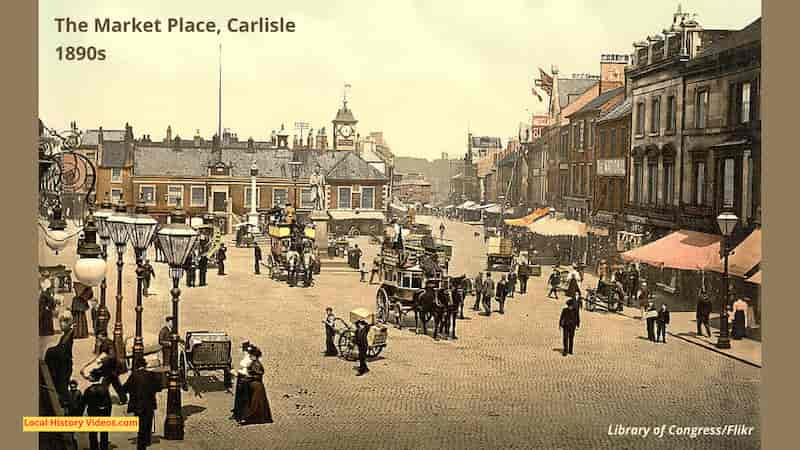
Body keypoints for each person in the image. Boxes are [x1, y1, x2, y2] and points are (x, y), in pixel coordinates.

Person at [122, 357, 163, 450]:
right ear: (145, 365)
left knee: (141, 425)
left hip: (137, 404)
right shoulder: (151, 375)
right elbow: (158, 387)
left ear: (136, 366)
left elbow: (125, 388)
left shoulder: (134, 375)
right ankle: (147, 440)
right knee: (148, 422)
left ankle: (141, 445)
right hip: (149, 403)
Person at [238, 346, 273, 425]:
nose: (250, 356)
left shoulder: (256, 364)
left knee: (255, 404)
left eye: (251, 355)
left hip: (257, 386)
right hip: (255, 386)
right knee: (257, 404)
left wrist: (248, 377)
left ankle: (252, 418)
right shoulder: (254, 363)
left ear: (255, 356)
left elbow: (258, 375)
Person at [81, 368, 112, 450]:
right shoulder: (105, 389)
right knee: (104, 433)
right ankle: (104, 448)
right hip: (104, 414)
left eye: (90, 376)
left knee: (93, 434)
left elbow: (83, 404)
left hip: (93, 414)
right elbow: (109, 404)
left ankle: (94, 448)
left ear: (93, 378)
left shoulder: (88, 390)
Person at [231, 342, 252, 421]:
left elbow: (247, 371)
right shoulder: (246, 357)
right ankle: (237, 414)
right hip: (242, 378)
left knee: (243, 398)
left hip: (245, 379)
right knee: (239, 397)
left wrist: (235, 373)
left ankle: (242, 416)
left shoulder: (248, 358)